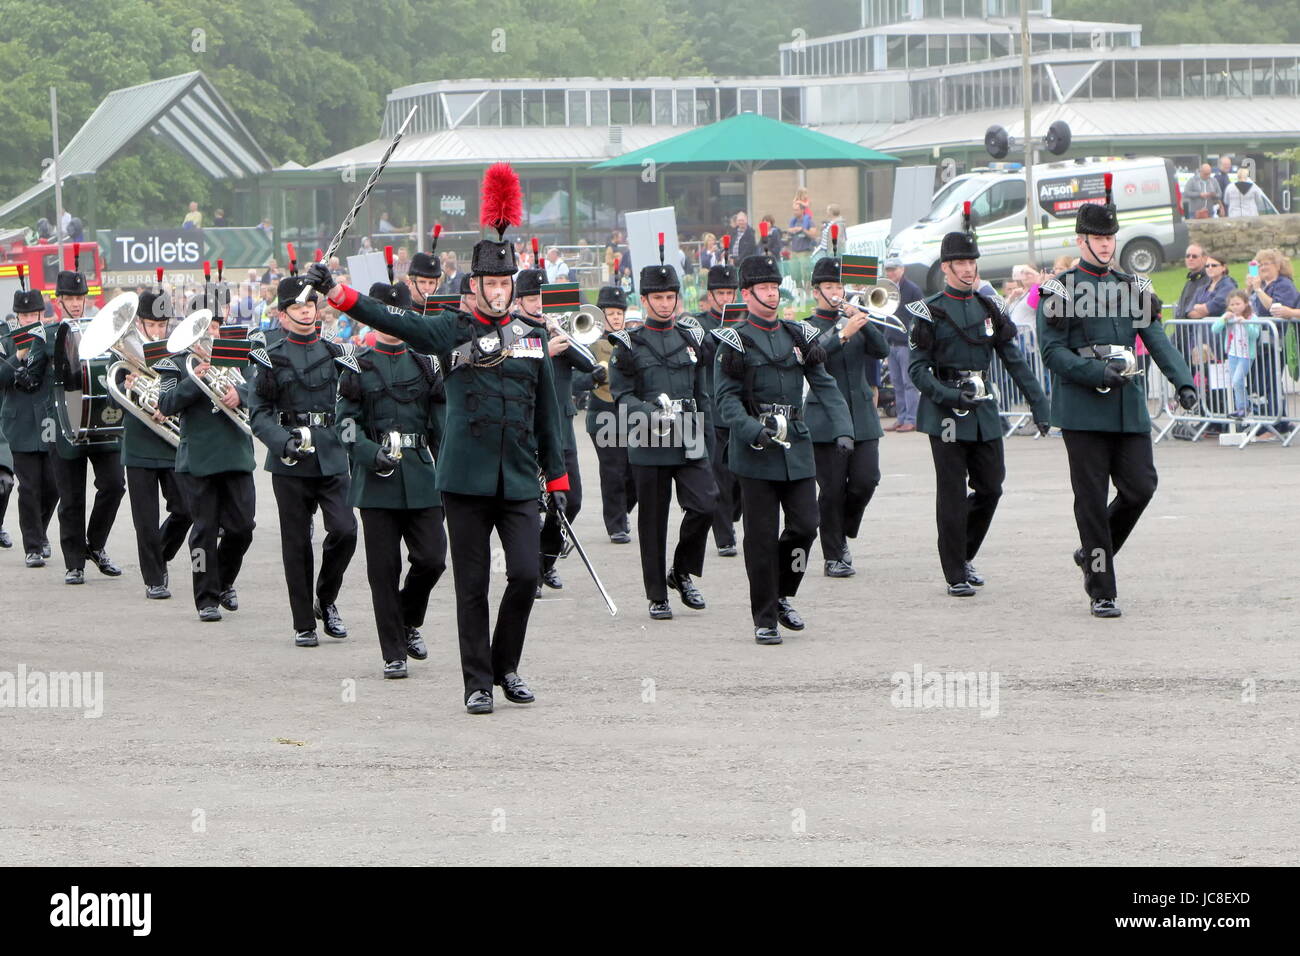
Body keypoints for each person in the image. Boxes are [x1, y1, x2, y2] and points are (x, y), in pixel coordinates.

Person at [309, 162, 570, 716]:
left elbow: (549, 414)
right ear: (474, 285)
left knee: (525, 575)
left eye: (506, 284)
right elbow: (396, 320)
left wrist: (559, 478)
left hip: (520, 477)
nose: (499, 293)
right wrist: (337, 292)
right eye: (491, 284)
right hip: (464, 479)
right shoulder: (451, 329)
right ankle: (478, 682)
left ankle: (507, 665)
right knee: (471, 585)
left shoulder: (532, 337)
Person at [1036, 174, 1197, 618]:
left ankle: (1091, 553)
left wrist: (1183, 381)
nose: (1106, 245)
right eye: (1097, 238)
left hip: (1127, 407)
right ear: (1081, 240)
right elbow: (1051, 351)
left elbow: (1156, 336)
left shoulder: (1134, 286)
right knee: (1090, 501)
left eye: (1110, 237)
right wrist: (1094, 371)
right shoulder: (1060, 289)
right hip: (1083, 409)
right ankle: (1102, 588)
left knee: (1141, 487)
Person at [713, 247, 853, 645]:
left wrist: (844, 428)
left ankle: (784, 593)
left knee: (806, 525)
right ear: (747, 293)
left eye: (775, 287)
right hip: (755, 450)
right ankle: (765, 616)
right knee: (759, 537)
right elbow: (725, 399)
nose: (772, 294)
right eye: (763, 288)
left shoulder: (799, 336)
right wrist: (748, 429)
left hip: (795, 445)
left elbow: (825, 383)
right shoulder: (734, 341)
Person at [909, 205, 1050, 598]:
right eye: (960, 262)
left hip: (983, 406)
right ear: (947, 267)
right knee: (952, 492)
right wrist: (949, 394)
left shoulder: (989, 307)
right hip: (946, 411)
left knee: (991, 487)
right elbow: (917, 370)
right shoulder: (930, 310)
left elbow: (1015, 360)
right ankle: (954, 570)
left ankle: (964, 553)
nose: (968, 268)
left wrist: (1040, 404)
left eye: (972, 261)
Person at [336, 279, 447, 679]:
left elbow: (441, 428)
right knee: (382, 571)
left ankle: (407, 619)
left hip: (420, 474)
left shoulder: (426, 362)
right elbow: (345, 426)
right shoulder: (357, 363)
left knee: (433, 559)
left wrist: (451, 470)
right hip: (376, 479)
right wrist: (368, 453)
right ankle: (393, 652)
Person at [246, 265, 358, 647]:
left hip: (331, 451)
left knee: (345, 530)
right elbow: (258, 413)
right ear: (282, 315)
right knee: (295, 541)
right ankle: (303, 623)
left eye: (312, 303)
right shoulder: (269, 356)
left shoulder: (336, 352)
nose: (308, 310)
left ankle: (325, 600)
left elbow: (353, 401)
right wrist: (281, 442)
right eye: (298, 305)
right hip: (291, 457)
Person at [610, 255, 717, 621]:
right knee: (653, 522)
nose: (665, 303)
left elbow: (703, 392)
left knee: (706, 504)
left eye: (670, 296)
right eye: (657, 298)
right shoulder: (628, 343)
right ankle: (657, 594)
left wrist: (708, 436)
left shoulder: (692, 338)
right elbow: (620, 395)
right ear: (644, 300)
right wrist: (648, 414)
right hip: (649, 436)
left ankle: (681, 571)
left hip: (688, 432)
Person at [156, 304, 256, 623]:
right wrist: (194, 379)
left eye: (214, 328)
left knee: (242, 528)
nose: (209, 335)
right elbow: (166, 403)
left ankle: (224, 580)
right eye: (203, 328)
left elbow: (261, 387)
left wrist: (240, 393)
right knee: (204, 531)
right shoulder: (175, 362)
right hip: (197, 457)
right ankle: (206, 598)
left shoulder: (238, 354)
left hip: (236, 454)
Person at [804, 252, 889, 578]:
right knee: (832, 489)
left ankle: (845, 528)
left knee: (867, 479)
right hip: (825, 418)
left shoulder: (856, 318)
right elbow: (814, 356)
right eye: (828, 285)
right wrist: (842, 332)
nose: (836, 291)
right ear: (816, 292)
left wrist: (863, 322)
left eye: (839, 284)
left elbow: (881, 350)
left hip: (862, 415)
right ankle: (834, 554)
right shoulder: (807, 326)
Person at [48, 246, 126, 585]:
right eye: (70, 297)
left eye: (81, 296)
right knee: (71, 496)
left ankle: (94, 544)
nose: (77, 302)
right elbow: (38, 377)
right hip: (66, 422)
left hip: (101, 420)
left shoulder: (100, 330)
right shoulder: (50, 334)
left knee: (114, 485)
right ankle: (74, 562)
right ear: (59, 299)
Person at [514, 266, 595, 593]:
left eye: (541, 298)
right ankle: (530, 571)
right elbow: (507, 360)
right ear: (518, 301)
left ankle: (544, 561)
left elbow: (589, 363)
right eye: (532, 298)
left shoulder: (559, 330)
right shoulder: (513, 331)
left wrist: (562, 334)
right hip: (528, 431)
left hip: (561, 429)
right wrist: (544, 351)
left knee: (571, 501)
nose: (537, 304)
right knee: (533, 504)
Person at [120, 280, 191, 599]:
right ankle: (154, 579)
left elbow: (187, 392)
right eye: (152, 324)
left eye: (163, 325)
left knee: (186, 508)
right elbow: (112, 400)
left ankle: (159, 556)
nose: (158, 330)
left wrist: (169, 404)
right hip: (138, 446)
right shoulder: (124, 352)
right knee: (145, 519)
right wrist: (130, 388)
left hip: (171, 444)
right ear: (140, 323)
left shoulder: (178, 352)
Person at [0, 269, 57, 566]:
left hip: (48, 420)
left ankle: (41, 532)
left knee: (53, 486)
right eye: (25, 315)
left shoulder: (51, 336)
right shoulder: (7, 341)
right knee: (29, 487)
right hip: (20, 424)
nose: (30, 319)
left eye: (35, 313)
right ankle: (32, 546)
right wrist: (18, 356)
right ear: (17, 317)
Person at [691, 250, 742, 557]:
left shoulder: (747, 321)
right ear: (710, 296)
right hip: (713, 411)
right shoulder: (699, 325)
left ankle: (732, 515)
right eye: (720, 293)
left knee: (740, 480)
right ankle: (724, 536)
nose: (725, 298)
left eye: (729, 292)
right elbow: (704, 355)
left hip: (742, 410)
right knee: (720, 475)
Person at [584, 286, 637, 543]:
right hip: (602, 413)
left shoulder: (633, 341)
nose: (615, 318)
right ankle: (616, 525)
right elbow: (575, 380)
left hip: (631, 414)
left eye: (619, 313)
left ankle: (621, 511)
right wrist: (591, 377)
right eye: (610, 313)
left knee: (635, 471)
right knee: (613, 470)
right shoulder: (590, 344)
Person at [883, 256, 923, 432]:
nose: (890, 273)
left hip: (906, 342)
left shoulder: (912, 289)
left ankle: (911, 418)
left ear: (902, 269)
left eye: (894, 269)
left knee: (909, 383)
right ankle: (901, 417)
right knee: (897, 383)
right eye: (888, 270)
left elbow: (920, 315)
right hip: (891, 341)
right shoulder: (885, 289)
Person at [1213, 290, 1261, 418]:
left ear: (1245, 303)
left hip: (1246, 355)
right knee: (1235, 383)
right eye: (1232, 304)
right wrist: (1223, 319)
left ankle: (1245, 406)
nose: (1235, 307)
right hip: (1232, 353)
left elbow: (1255, 334)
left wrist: (1245, 323)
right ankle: (1241, 407)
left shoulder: (1253, 317)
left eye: (1238, 304)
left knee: (1237, 380)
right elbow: (1215, 329)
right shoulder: (1229, 316)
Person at [1185, 253, 1236, 319]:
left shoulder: (1229, 286)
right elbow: (1189, 312)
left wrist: (1197, 307)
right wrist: (1205, 311)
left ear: (1223, 267)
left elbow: (1214, 307)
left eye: (1214, 265)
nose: (1210, 268)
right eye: (1207, 266)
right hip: (1202, 328)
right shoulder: (1201, 289)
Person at [787, 191, 817, 287]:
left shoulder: (809, 221)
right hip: (794, 251)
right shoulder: (793, 221)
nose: (794, 212)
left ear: (802, 210)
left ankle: (808, 295)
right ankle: (800, 296)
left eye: (796, 210)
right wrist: (791, 231)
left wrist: (803, 230)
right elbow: (788, 234)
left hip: (804, 251)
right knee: (795, 274)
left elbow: (813, 234)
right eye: (793, 210)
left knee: (806, 275)